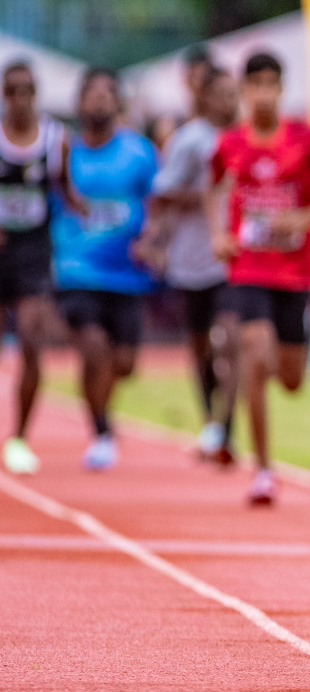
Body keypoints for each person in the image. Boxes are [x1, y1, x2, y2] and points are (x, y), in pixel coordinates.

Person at [209, 53, 310, 505]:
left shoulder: (306, 139)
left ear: (281, 89)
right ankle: (264, 471)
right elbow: (211, 188)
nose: (263, 93)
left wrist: (307, 216)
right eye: (255, 84)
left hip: (294, 271)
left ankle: (276, 366)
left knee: (290, 379)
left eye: (271, 84)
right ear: (243, 91)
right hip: (249, 267)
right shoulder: (231, 144)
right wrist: (218, 233)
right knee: (255, 355)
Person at [52, 68, 159, 471]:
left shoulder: (140, 154)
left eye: (106, 94)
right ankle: (101, 431)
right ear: (78, 103)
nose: (98, 101)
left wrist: (154, 238)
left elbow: (159, 204)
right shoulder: (64, 153)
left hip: (128, 272)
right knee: (94, 349)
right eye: (91, 95)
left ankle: (101, 407)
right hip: (75, 268)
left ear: (118, 103)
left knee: (124, 364)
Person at [143, 66, 241, 465]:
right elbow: (162, 194)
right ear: (204, 99)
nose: (230, 103)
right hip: (192, 256)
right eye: (222, 95)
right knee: (201, 344)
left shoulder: (247, 136)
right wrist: (204, 195)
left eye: (235, 94)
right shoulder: (189, 141)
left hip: (234, 258)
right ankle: (209, 419)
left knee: (231, 341)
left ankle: (227, 430)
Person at [0, 60, 77, 475]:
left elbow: (65, 189)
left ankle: (19, 439)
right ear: (3, 95)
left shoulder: (54, 140)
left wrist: (83, 211)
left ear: (36, 94)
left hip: (32, 250)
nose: (20, 99)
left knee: (31, 338)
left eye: (27, 90)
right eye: (12, 91)